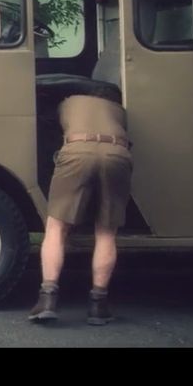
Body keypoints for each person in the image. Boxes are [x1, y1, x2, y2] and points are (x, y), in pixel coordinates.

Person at [29, 83, 131, 325]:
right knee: (106, 232)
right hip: (117, 151)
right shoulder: (119, 110)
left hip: (78, 148)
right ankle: (98, 305)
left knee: (56, 228)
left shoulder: (67, 103)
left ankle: (48, 299)